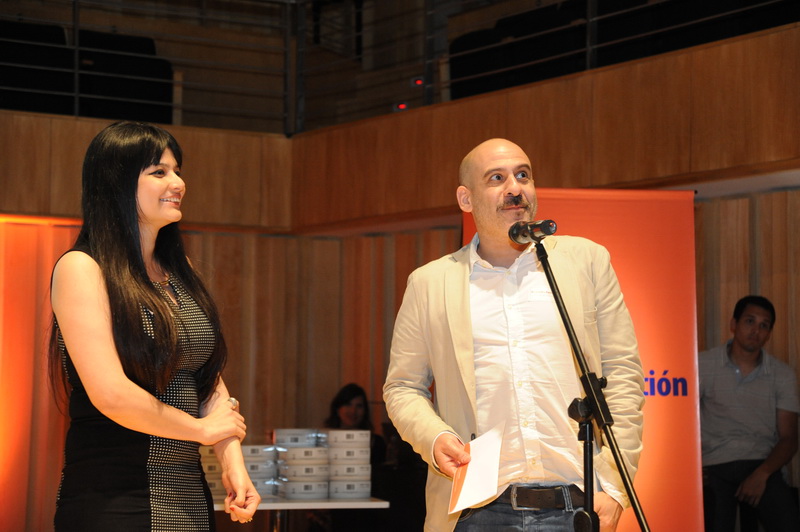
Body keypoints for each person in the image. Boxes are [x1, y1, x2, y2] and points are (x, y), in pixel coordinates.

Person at [383, 138, 645, 532]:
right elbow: (403, 387)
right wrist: (434, 438)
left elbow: (622, 373)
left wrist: (615, 488)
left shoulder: (587, 262)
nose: (515, 188)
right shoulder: (429, 284)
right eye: (497, 178)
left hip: (578, 506)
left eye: (523, 175)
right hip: (476, 512)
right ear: (466, 198)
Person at [48, 121, 261, 531]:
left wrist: (232, 460)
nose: (178, 183)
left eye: (177, 170)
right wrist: (200, 430)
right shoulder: (82, 268)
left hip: (188, 492)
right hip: (114, 497)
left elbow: (205, 376)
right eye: (159, 172)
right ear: (117, 182)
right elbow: (111, 394)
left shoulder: (179, 271)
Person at [699, 295, 800, 532]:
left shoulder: (782, 374)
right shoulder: (702, 365)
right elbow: (681, 423)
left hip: (761, 462)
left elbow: (789, 438)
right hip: (713, 464)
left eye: (764, 325)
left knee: (789, 523)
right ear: (734, 324)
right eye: (750, 321)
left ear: (769, 333)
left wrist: (762, 474)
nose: (756, 330)